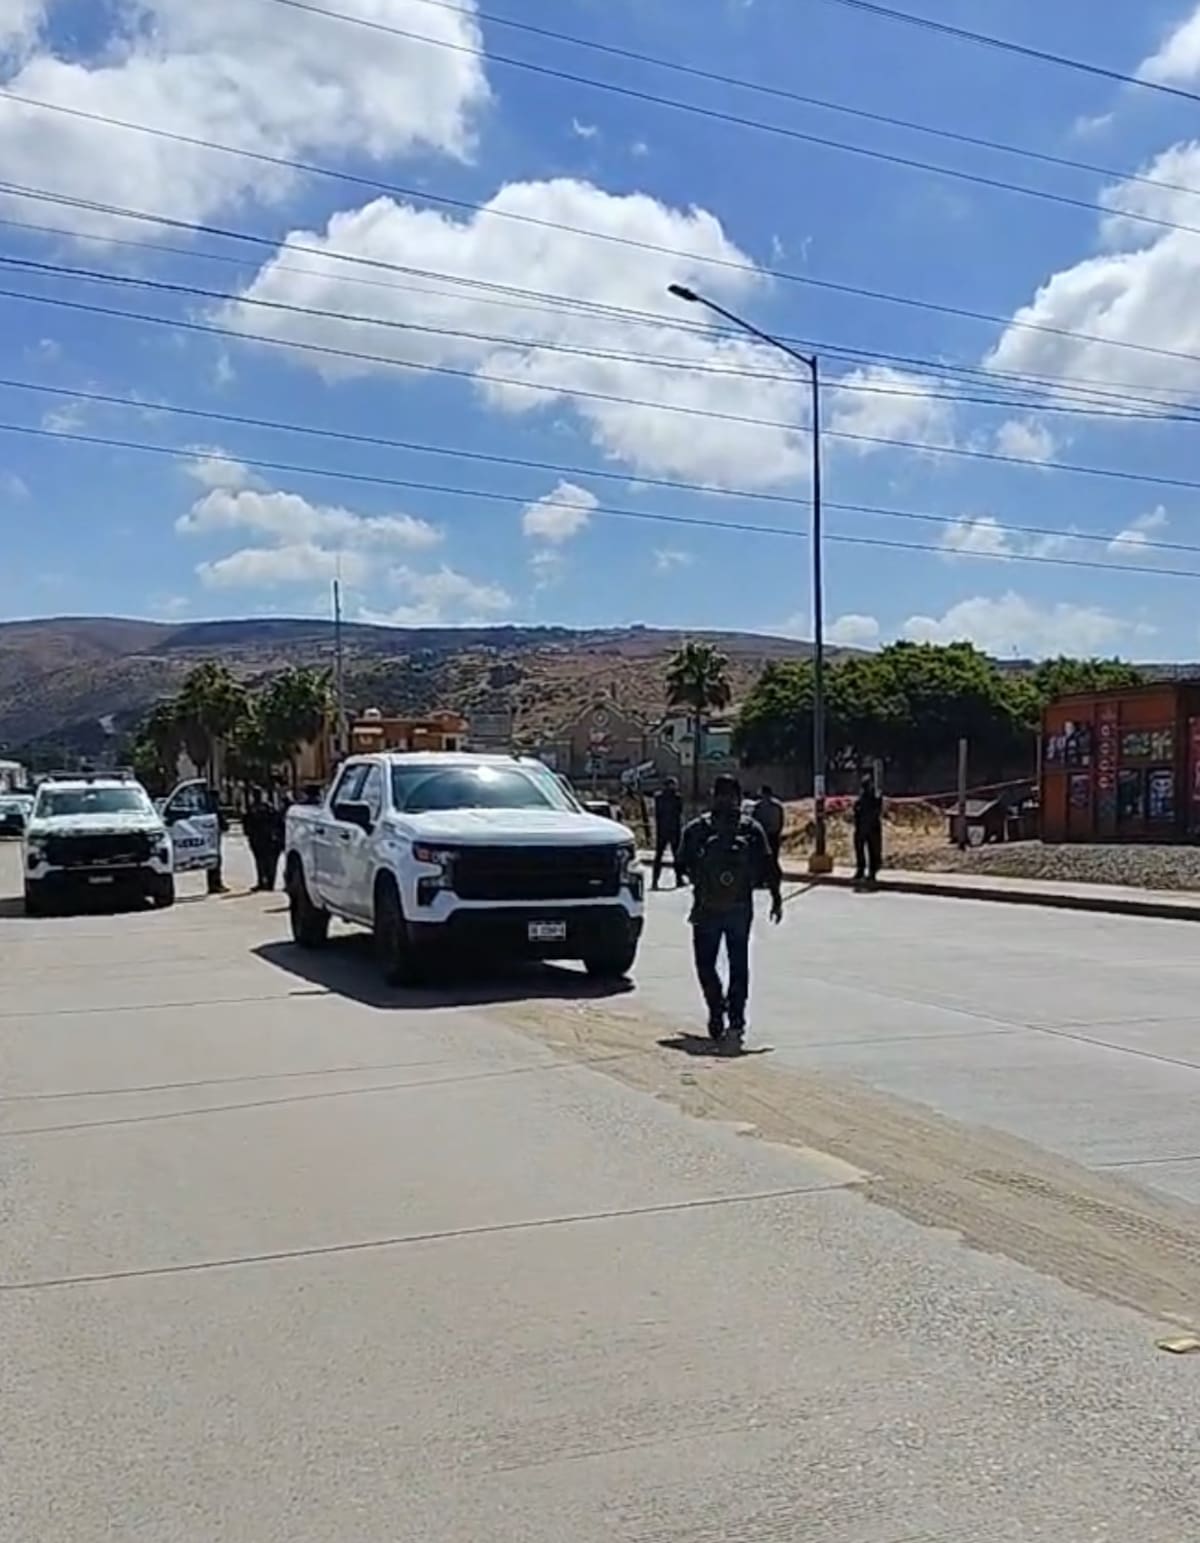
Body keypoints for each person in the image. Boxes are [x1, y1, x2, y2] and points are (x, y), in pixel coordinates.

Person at [677, 774, 783, 1052]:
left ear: (714, 795)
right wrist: (776, 897)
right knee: (738, 963)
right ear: (738, 796)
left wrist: (702, 877)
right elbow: (770, 865)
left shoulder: (696, 829)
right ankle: (736, 1019)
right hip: (740, 906)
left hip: (706, 908)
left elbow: (680, 865)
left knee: (705, 964)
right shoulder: (751, 829)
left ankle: (716, 1008)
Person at [243, 788, 285, 892]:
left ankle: (263, 882)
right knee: (270, 863)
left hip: (262, 840)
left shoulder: (253, 809)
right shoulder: (269, 808)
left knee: (262, 862)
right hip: (268, 839)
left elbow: (246, 825)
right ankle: (269, 883)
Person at [652, 776, 685, 890]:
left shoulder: (658, 798)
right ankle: (679, 879)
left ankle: (654, 881)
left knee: (659, 856)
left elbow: (657, 814)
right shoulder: (677, 798)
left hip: (662, 829)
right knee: (677, 856)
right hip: (674, 829)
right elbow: (680, 812)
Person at [853, 772, 884, 887]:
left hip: (871, 828)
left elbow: (877, 810)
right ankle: (861, 870)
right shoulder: (861, 798)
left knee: (872, 851)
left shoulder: (874, 797)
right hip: (862, 828)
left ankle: (872, 872)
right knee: (860, 850)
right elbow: (856, 811)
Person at [751, 783, 785, 864]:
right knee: (773, 858)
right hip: (772, 835)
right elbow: (781, 820)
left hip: (764, 836)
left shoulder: (758, 806)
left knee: (764, 859)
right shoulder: (777, 805)